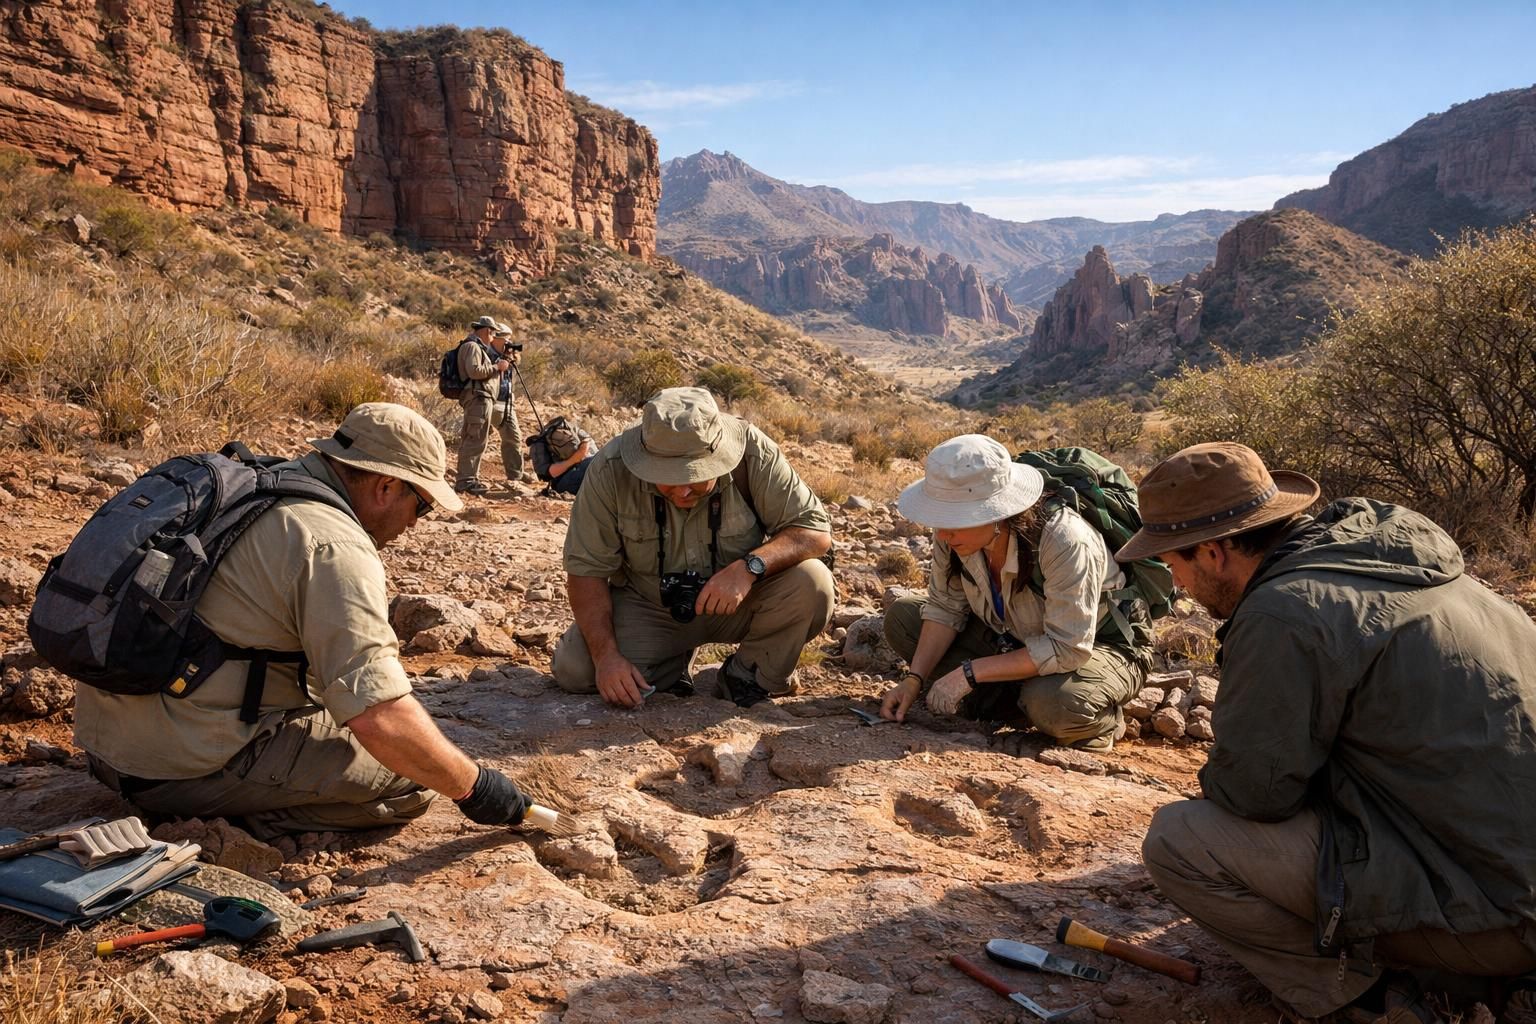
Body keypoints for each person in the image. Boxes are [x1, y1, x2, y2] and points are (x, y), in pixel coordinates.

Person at [1126, 442, 1536, 1022]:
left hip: (1507, 918)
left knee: (1180, 842)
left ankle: (1368, 1000)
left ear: (1214, 552)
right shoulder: (1393, 557)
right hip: (1513, 873)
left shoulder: (1285, 612)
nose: (1174, 580)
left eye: (1173, 560)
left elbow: (1254, 794)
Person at [76, 403, 540, 839]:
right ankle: (217, 823)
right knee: (415, 781)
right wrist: (476, 787)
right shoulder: (334, 544)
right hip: (173, 769)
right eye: (422, 506)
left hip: (102, 745)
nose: (417, 523)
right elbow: (380, 717)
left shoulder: (257, 482)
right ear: (385, 487)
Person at [553, 387, 834, 708]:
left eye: (696, 475)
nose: (684, 490)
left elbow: (814, 532)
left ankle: (747, 675)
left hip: (742, 600)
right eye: (667, 477)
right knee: (575, 669)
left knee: (813, 583)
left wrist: (750, 567)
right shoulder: (610, 469)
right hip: (651, 606)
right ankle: (671, 669)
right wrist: (606, 657)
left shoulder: (752, 453)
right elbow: (584, 572)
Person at [880, 434, 1151, 751]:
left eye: (954, 518)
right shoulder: (952, 535)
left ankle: (1094, 720)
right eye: (940, 517)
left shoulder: (1064, 539)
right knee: (904, 619)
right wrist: (914, 680)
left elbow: (1068, 647)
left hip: (1099, 646)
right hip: (1014, 637)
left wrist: (968, 673)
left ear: (995, 512)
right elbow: (944, 608)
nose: (941, 532)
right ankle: (1013, 701)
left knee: (1058, 703)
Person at [454, 316, 525, 496]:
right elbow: (475, 371)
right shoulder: (473, 347)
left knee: (482, 439)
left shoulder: (477, 347)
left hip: (487, 399)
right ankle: (466, 481)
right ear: (487, 331)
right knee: (475, 439)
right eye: (494, 334)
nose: (494, 338)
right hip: (479, 397)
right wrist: (496, 367)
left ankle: (473, 479)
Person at [545, 416, 597, 496]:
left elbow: (587, 439)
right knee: (598, 461)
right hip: (564, 481)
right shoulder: (545, 441)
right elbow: (549, 472)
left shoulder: (574, 430)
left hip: (581, 470)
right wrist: (575, 459)